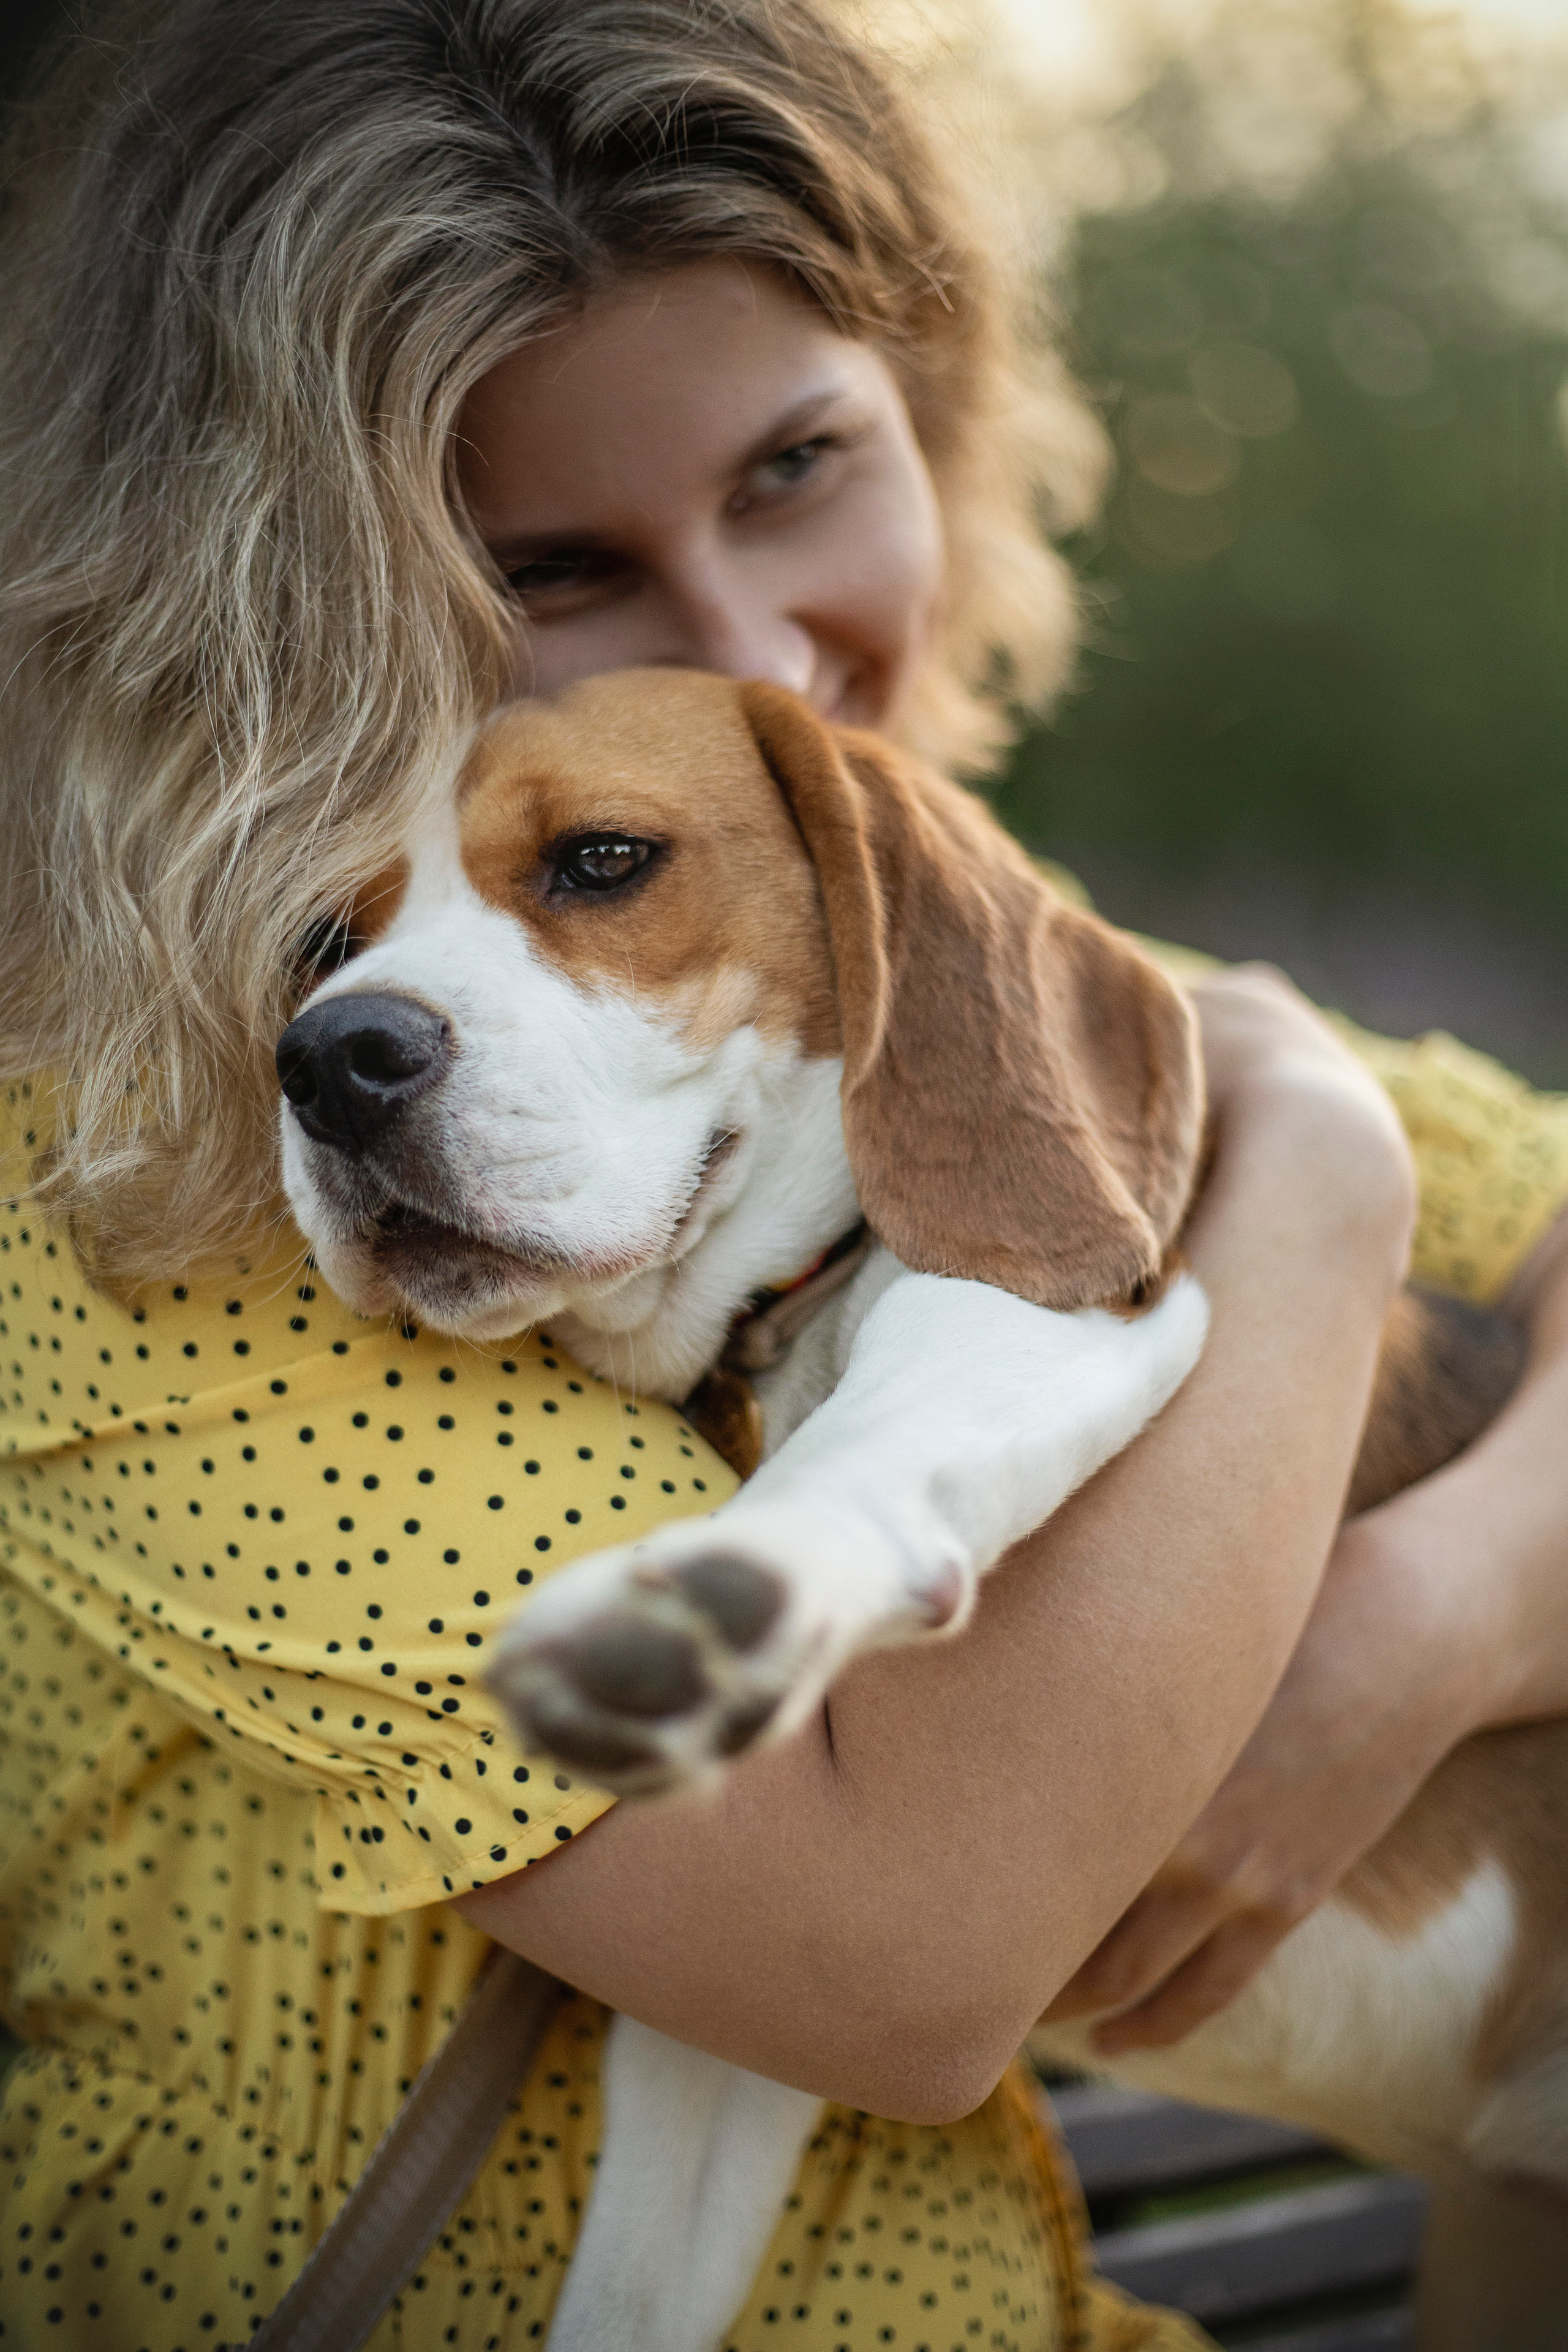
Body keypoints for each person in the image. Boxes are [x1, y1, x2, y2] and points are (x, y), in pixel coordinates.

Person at [0, 4, 1563, 2347]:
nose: (753, 649)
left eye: (798, 465)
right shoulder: (128, 1198)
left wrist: (1433, 1618)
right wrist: (1313, 1171)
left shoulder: (991, 988)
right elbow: (909, 1962)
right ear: (308, 604)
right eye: (560, 565)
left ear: (928, 417)